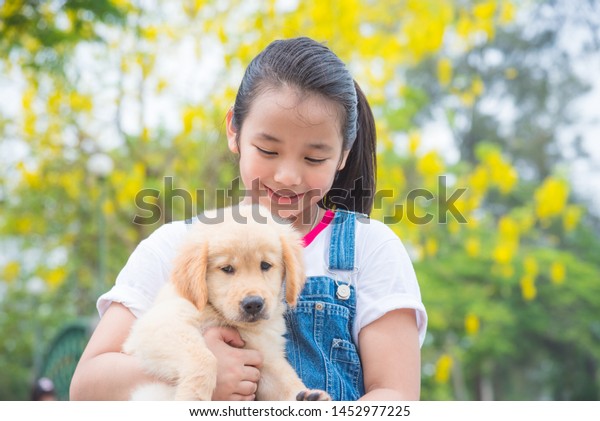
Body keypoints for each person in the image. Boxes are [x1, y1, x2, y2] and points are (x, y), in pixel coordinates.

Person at [70, 36, 427, 401]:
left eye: (314, 158)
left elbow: (394, 397)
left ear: (342, 156)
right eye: (268, 149)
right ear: (234, 131)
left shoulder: (369, 248)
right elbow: (86, 386)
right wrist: (200, 370)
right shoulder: (174, 246)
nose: (288, 175)